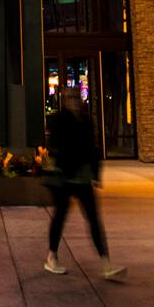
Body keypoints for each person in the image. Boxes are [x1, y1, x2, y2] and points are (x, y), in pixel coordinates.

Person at [42, 87, 125, 281]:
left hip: (82, 177)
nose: (74, 100)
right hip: (64, 178)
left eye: (76, 97)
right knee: (60, 218)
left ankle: (106, 263)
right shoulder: (59, 120)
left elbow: (93, 148)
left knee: (94, 220)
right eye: (70, 97)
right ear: (64, 100)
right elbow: (53, 146)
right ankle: (52, 256)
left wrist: (96, 174)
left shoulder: (86, 121)